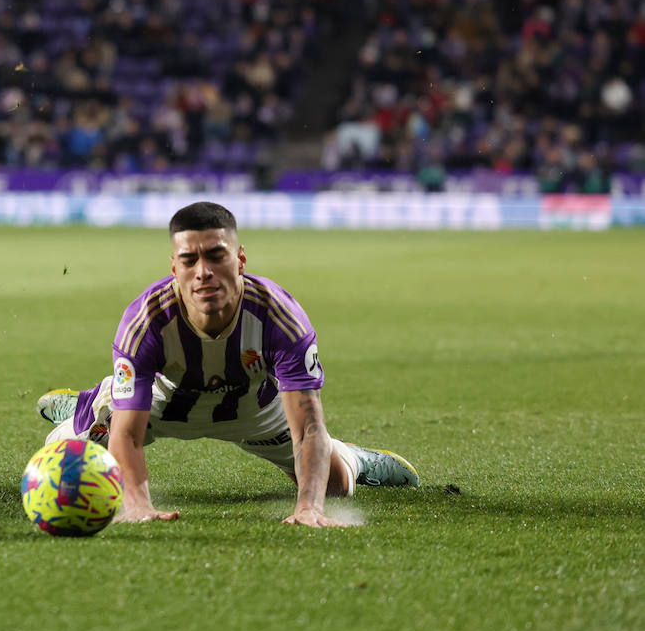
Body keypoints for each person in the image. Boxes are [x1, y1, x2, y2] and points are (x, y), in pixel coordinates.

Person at [36, 201, 417, 528]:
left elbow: (308, 427)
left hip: (252, 407)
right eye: (189, 260)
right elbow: (128, 435)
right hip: (163, 402)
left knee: (334, 486)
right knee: (65, 460)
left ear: (240, 259)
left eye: (216, 256)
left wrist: (308, 508)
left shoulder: (278, 316)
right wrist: (137, 504)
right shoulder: (146, 320)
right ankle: (86, 406)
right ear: (175, 268)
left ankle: (354, 457)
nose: (203, 271)